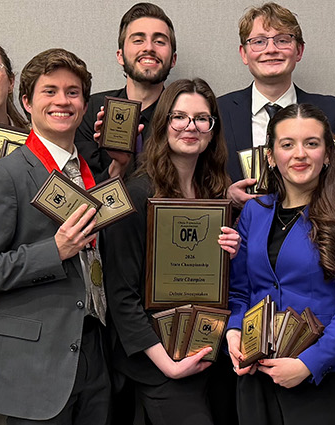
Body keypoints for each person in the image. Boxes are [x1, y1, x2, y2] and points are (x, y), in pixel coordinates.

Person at [0, 48, 140, 425]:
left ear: (85, 105)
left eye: (72, 93)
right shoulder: (4, 175)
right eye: (50, 91)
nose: (62, 101)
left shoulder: (92, 173)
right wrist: (53, 251)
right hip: (34, 365)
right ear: (26, 101)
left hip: (95, 351)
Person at [216, 103, 335, 425]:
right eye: (287, 144)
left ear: (328, 154)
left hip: (324, 378)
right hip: (256, 376)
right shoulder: (253, 212)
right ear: (272, 157)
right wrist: (234, 333)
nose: (300, 154)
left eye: (312, 143)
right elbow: (239, 293)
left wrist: (308, 364)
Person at [105, 78, 233, 425]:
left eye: (202, 119)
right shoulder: (135, 195)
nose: (191, 127)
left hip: (209, 353)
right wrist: (168, 365)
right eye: (179, 117)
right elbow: (121, 295)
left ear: (212, 129)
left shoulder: (215, 197)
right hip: (158, 363)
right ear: (163, 125)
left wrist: (230, 258)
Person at [216, 3, 335, 200]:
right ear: (244, 54)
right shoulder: (217, 113)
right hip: (238, 227)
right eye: (258, 42)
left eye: (282, 40)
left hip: (318, 228)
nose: (271, 49)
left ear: (299, 51)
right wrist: (226, 196)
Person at [75, 2, 178, 178]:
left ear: (173, 59)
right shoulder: (90, 109)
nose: (149, 48)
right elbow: (85, 187)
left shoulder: (184, 117)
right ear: (120, 56)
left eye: (159, 41)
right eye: (138, 40)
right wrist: (118, 164)